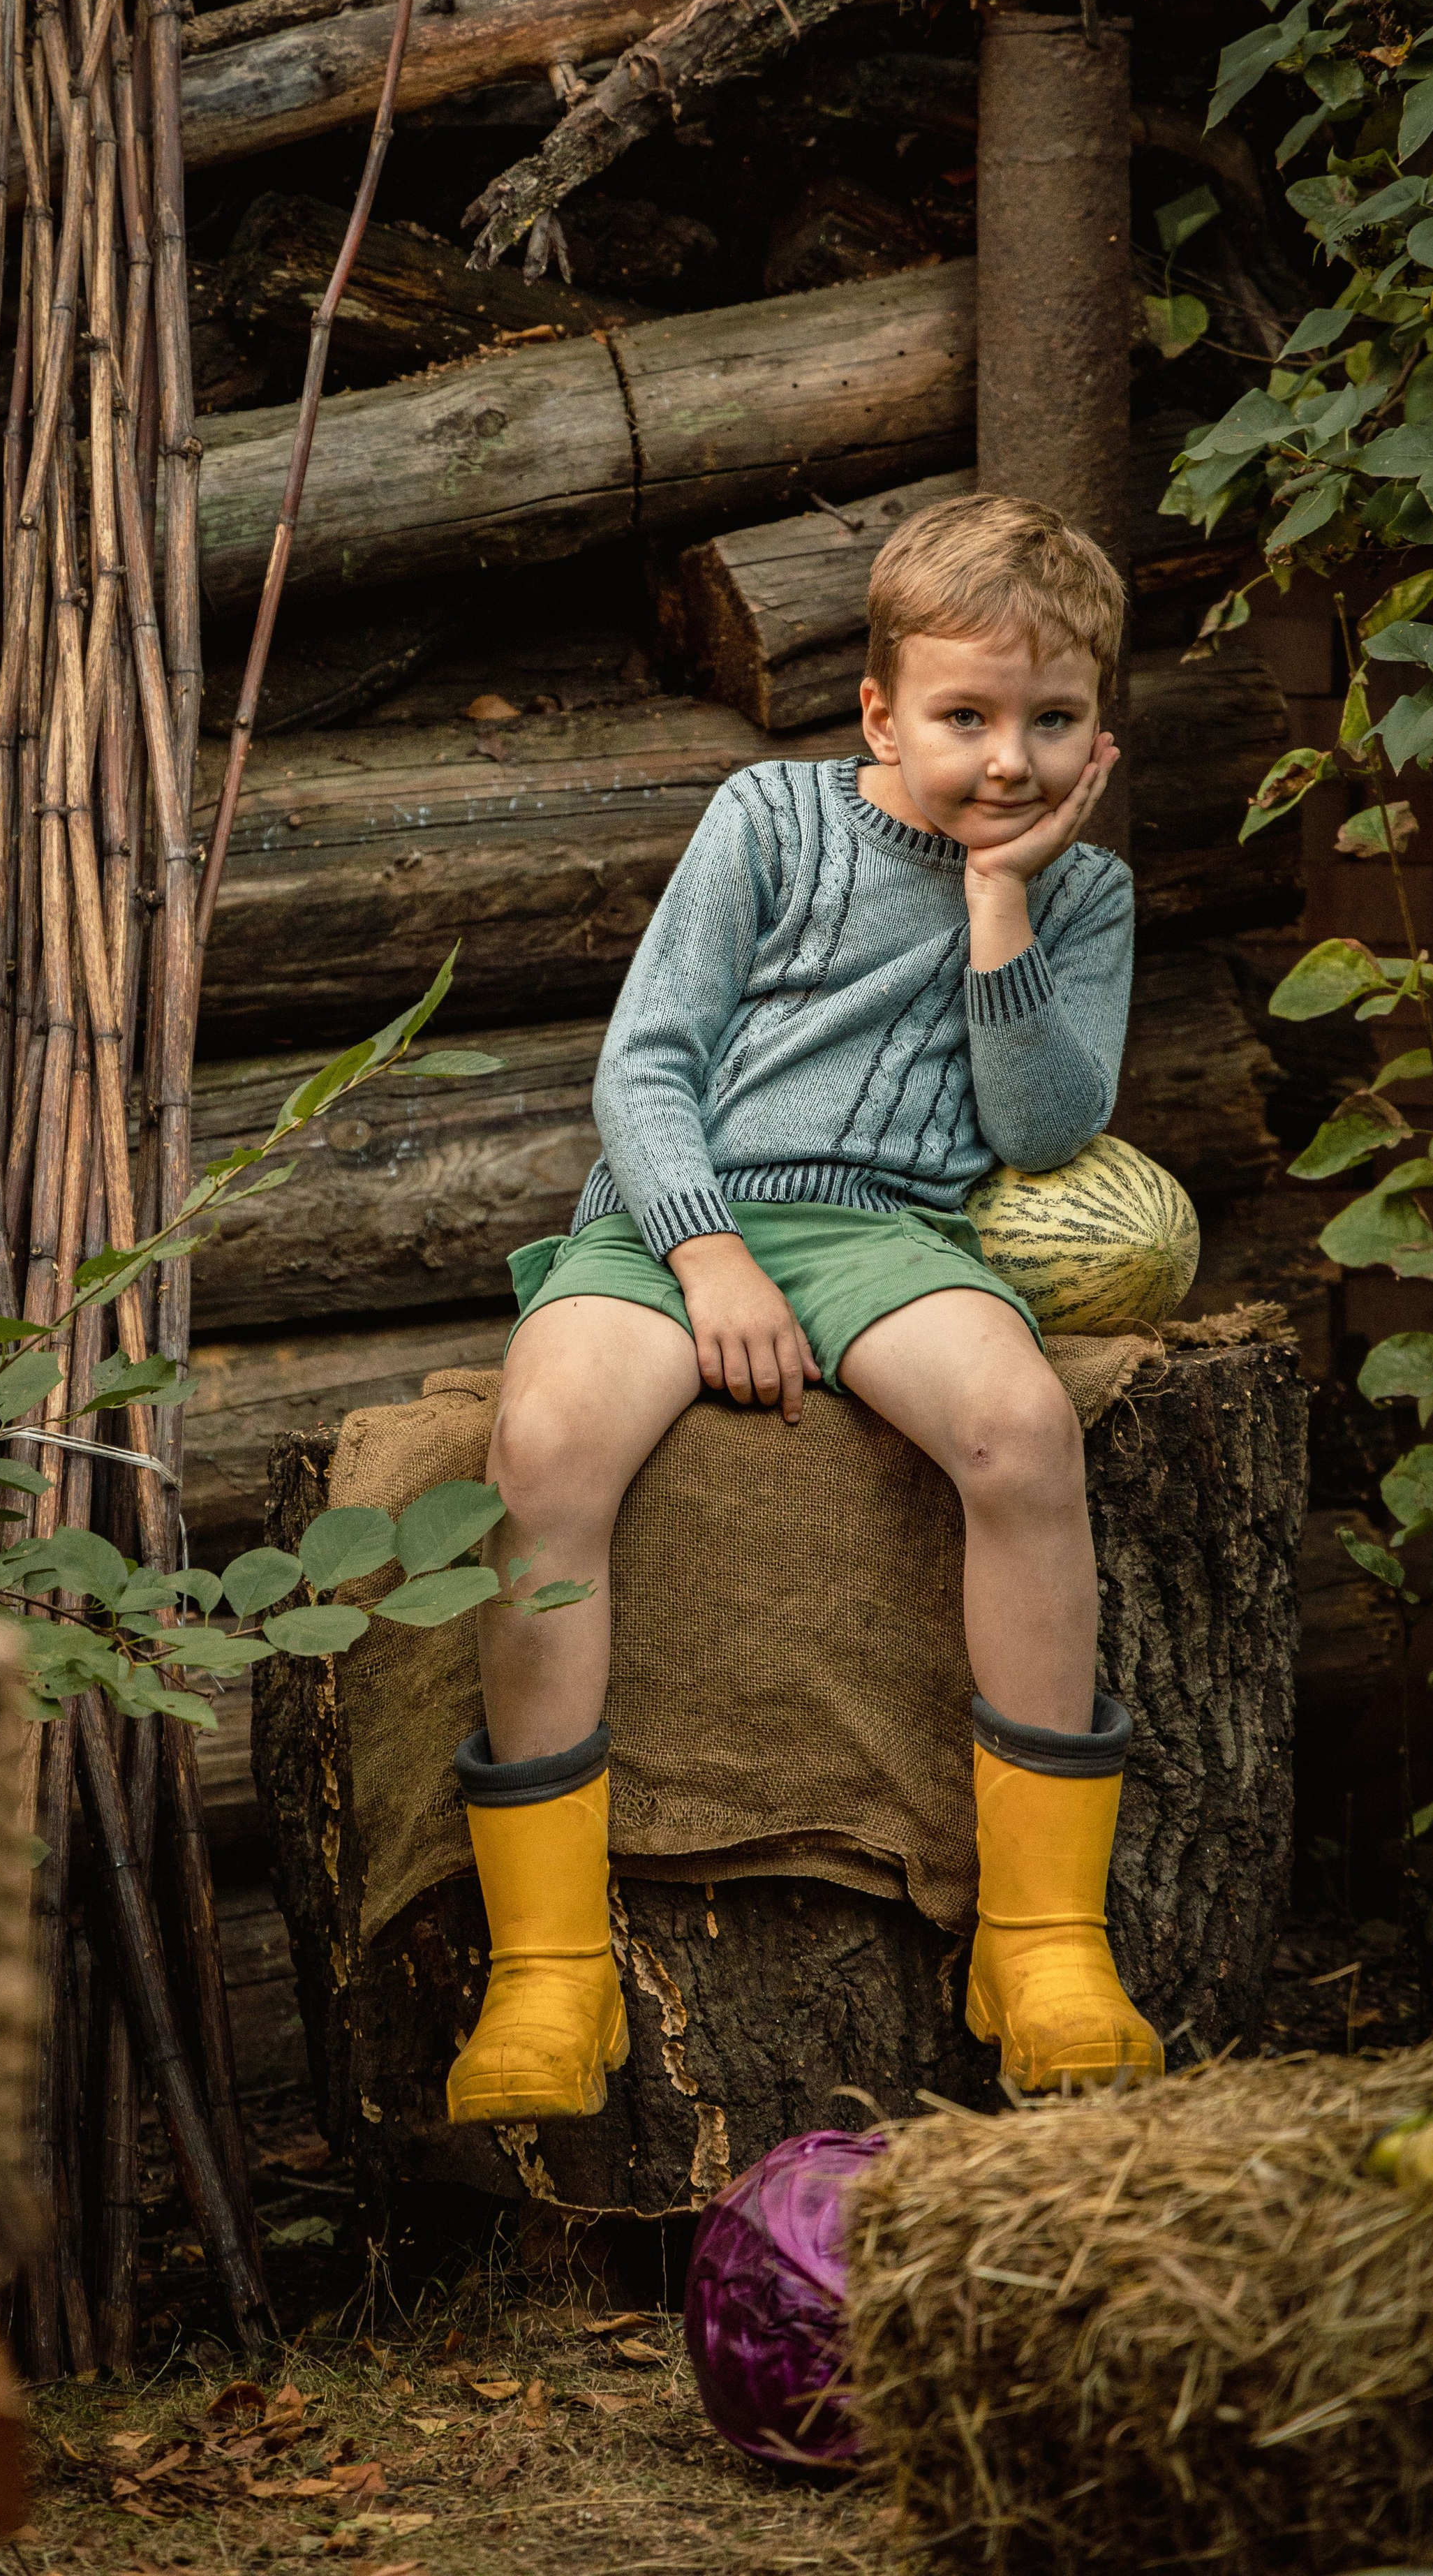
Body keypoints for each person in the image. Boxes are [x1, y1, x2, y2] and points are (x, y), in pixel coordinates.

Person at [443, 492, 1163, 2124]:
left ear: (1096, 734)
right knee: (545, 1450)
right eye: (963, 718)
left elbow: (1041, 1128)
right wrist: (705, 1256)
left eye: (1050, 724)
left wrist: (1002, 908)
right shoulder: (767, 817)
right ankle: (545, 1972)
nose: (1005, 760)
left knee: (1018, 1428)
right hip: (667, 1217)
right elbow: (644, 1062)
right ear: (877, 710)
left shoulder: (1085, 902)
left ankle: (1042, 1938)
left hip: (886, 1233)